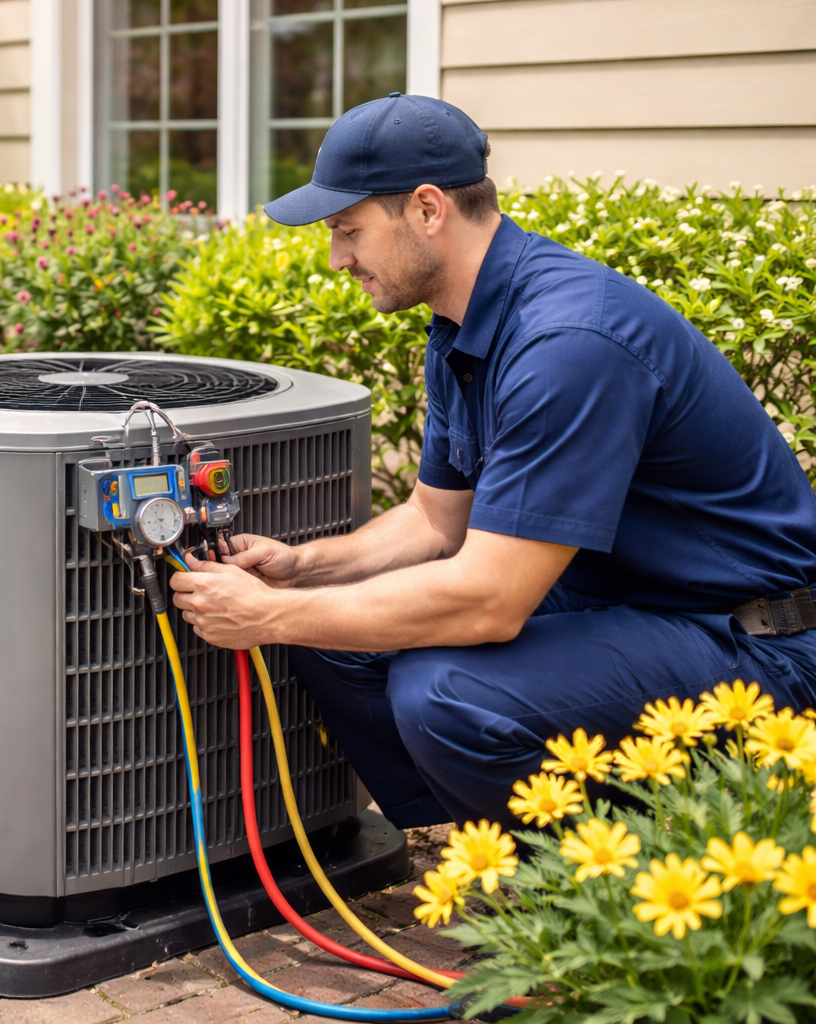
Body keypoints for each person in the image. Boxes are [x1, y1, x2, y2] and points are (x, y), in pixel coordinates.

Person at [168, 92, 816, 829]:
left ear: (427, 209)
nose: (338, 258)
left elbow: (490, 600)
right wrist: (304, 569)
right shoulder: (464, 328)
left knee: (442, 689)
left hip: (754, 642)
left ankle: (598, 891)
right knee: (337, 643)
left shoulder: (568, 343)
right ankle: (491, 840)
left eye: (348, 231)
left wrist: (272, 616)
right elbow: (436, 520)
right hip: (625, 604)